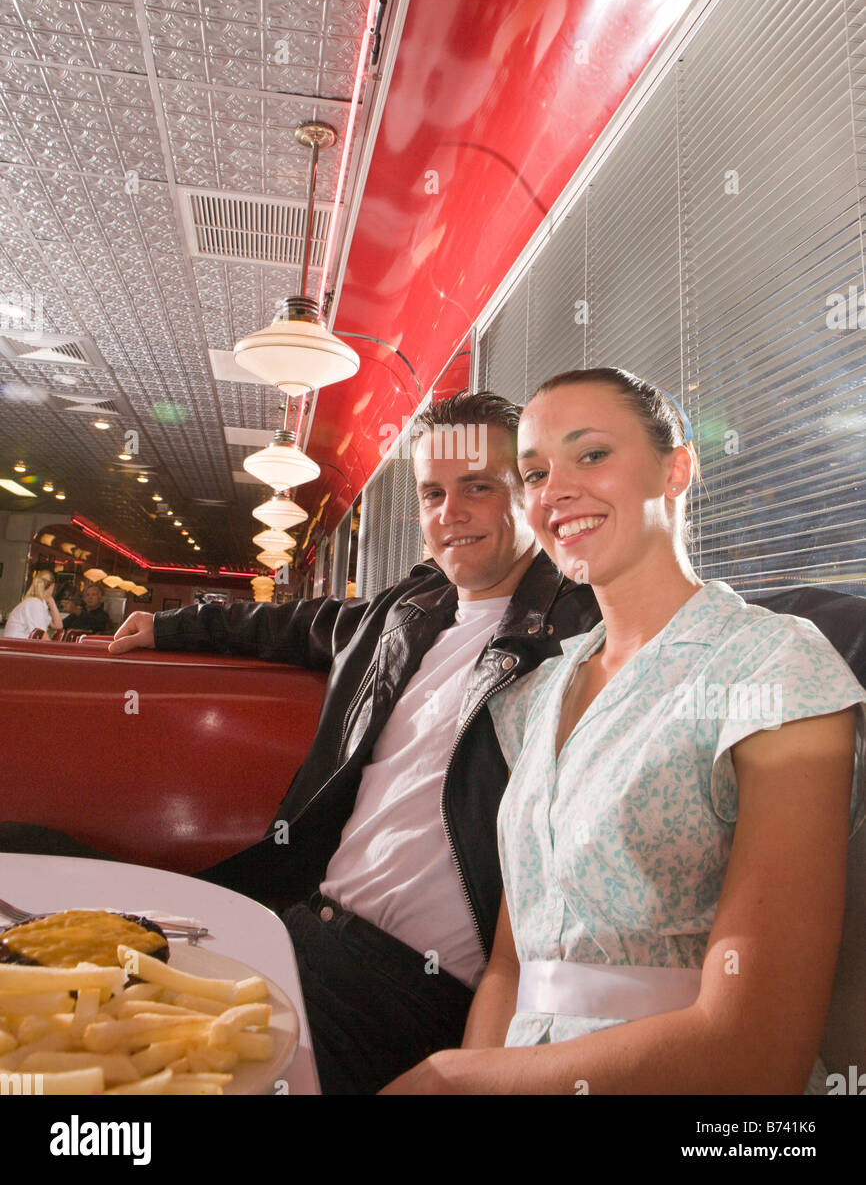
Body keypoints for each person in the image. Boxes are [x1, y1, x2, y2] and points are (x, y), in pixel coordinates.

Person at [4, 391, 601, 1094]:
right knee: (25, 852)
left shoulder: (577, 633)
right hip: (297, 922)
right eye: (433, 493)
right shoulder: (409, 612)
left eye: (479, 487)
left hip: (405, 993)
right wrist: (172, 627)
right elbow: (299, 624)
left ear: (530, 489)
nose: (450, 514)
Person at [381, 369, 866, 1095]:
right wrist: (479, 1075)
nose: (555, 491)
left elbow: (757, 1053)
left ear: (677, 470)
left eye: (592, 455)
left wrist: (461, 1082)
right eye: (536, 472)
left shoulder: (776, 665)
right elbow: (516, 966)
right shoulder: (537, 692)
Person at [2, 568, 64, 639]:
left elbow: (58, 625)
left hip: (15, 644)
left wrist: (51, 602)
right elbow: (42, 636)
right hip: (16, 646)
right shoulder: (35, 604)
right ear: (52, 586)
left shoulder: (36, 602)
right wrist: (55, 649)